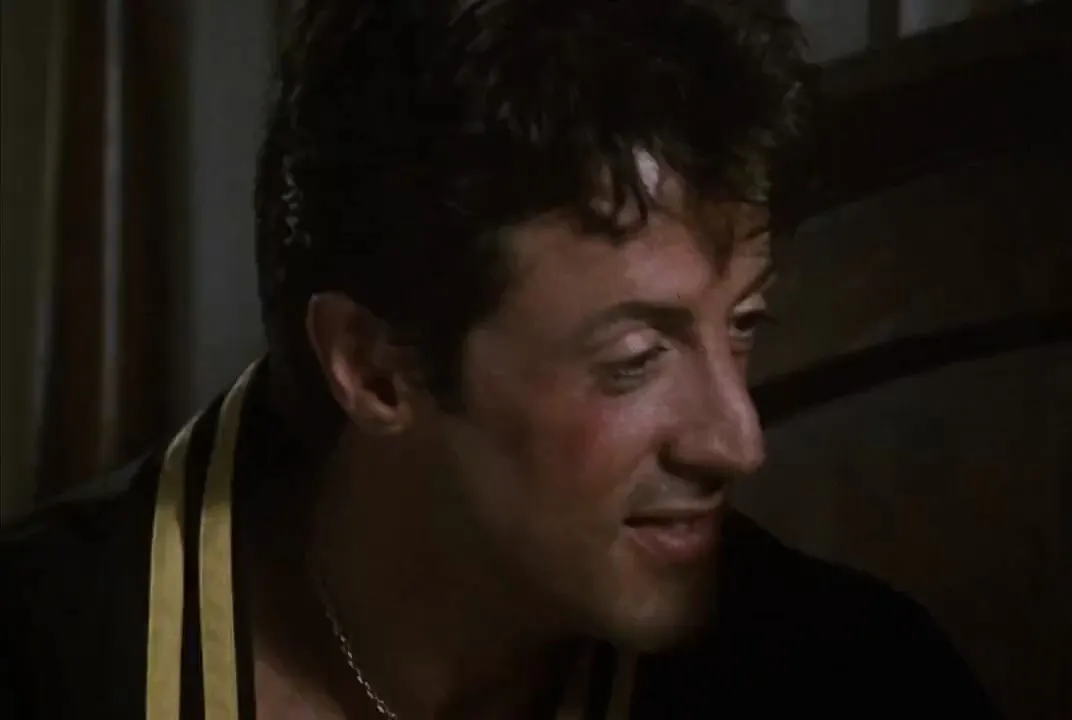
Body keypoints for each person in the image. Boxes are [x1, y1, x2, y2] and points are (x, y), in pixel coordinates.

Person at [1, 1, 998, 717]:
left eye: (743, 323)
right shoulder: (43, 661)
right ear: (375, 369)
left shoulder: (853, 682)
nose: (737, 439)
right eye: (634, 358)